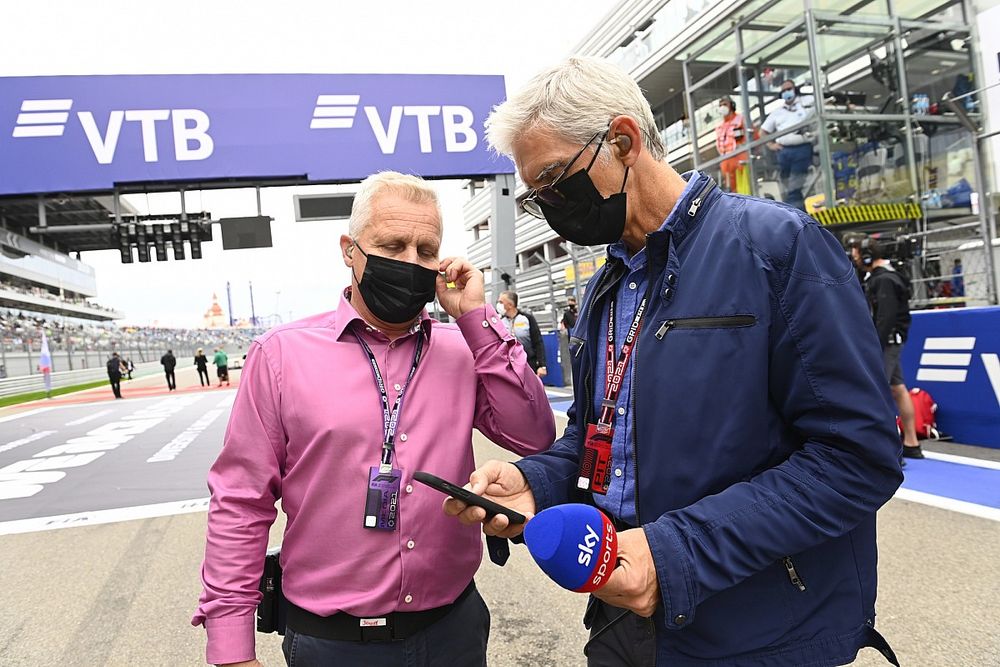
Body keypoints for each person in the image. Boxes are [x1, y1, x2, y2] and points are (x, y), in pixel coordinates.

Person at [447, 56, 903, 667]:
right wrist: (537, 481)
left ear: (624, 140)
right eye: (537, 197)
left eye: (555, 181)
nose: (552, 208)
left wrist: (677, 554)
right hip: (622, 619)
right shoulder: (604, 288)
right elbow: (592, 437)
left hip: (759, 632)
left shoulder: (777, 247)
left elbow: (857, 456)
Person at [192, 171, 555, 667]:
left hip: (451, 630)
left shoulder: (462, 349)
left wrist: (477, 319)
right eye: (392, 244)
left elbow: (533, 434)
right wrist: (231, 649)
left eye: (426, 251)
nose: (410, 261)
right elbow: (240, 501)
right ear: (349, 250)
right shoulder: (280, 356)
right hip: (330, 642)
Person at [849, 237, 922, 459]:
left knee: (876, 393)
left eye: (856, 253)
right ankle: (911, 443)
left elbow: (886, 318)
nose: (854, 257)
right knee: (897, 389)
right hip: (891, 340)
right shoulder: (882, 277)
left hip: (886, 342)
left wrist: (872, 346)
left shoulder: (884, 280)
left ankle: (890, 451)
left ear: (867, 255)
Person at [760, 79, 815, 210]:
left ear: (795, 90)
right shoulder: (777, 112)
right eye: (784, 90)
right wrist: (771, 145)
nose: (787, 92)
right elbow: (763, 132)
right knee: (787, 186)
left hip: (802, 149)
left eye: (789, 89)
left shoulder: (806, 103)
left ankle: (797, 215)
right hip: (783, 152)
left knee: (794, 187)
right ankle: (797, 212)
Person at [497, 290, 547, 378]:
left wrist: (542, 365)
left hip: (528, 364)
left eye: (501, 302)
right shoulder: (500, 322)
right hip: (507, 365)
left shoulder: (527, 319)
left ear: (510, 305)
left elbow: (538, 342)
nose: (498, 305)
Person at [714, 96, 748, 193]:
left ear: (732, 105)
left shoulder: (740, 119)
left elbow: (752, 137)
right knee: (732, 191)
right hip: (725, 162)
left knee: (744, 189)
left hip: (740, 159)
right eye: (720, 105)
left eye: (725, 104)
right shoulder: (719, 126)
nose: (722, 107)